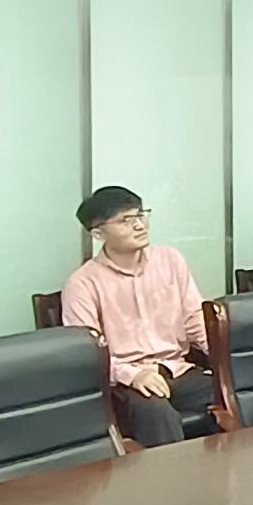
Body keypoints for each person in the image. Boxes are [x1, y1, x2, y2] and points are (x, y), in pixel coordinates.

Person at [61, 187, 217, 447]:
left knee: (236, 393)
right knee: (157, 413)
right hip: (126, 382)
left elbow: (195, 319)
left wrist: (225, 359)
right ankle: (174, 475)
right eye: (125, 220)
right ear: (98, 234)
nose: (139, 225)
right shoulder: (83, 284)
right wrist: (132, 376)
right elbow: (87, 355)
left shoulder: (170, 260)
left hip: (178, 370)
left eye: (141, 215)